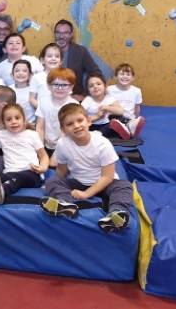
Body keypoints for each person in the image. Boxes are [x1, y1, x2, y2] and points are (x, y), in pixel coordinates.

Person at [40, 103, 132, 232]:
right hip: (79, 182)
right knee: (52, 181)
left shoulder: (102, 144)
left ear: (88, 121)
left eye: (80, 120)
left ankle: (117, 214)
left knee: (124, 186)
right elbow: (61, 170)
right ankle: (65, 204)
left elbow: (107, 176)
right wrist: (53, 185)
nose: (76, 126)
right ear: (63, 129)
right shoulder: (62, 144)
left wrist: (86, 194)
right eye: (70, 124)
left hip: (105, 184)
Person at [0, 104, 49, 205]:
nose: (13, 122)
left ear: (24, 119)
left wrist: (43, 167)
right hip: (10, 172)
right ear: (4, 123)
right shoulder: (1, 135)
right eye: (9, 119)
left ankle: (2, 192)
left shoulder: (32, 135)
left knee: (18, 179)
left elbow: (43, 156)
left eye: (17, 118)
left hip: (31, 173)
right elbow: (0, 154)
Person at [53, 19, 102, 99]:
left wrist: (85, 95)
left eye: (66, 33)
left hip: (74, 98)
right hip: (53, 97)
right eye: (58, 33)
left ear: (71, 35)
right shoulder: (48, 51)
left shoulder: (80, 51)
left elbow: (96, 73)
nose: (61, 36)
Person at [35, 68, 79, 156]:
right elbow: (40, 127)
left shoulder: (73, 105)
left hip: (68, 146)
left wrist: (56, 154)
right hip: (47, 146)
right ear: (48, 86)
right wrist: (41, 150)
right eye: (56, 84)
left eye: (64, 85)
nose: (59, 88)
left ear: (71, 87)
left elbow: (68, 132)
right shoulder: (43, 102)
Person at [107, 63, 145, 140]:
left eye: (128, 74)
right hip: (114, 117)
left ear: (132, 77)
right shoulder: (109, 90)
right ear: (116, 76)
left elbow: (137, 108)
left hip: (128, 118)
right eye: (122, 74)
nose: (125, 76)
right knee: (113, 122)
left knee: (132, 121)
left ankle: (129, 127)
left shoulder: (136, 91)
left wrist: (136, 118)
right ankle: (126, 129)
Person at [81, 74, 125, 138]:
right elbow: (80, 119)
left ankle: (128, 127)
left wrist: (106, 107)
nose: (95, 87)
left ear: (105, 86)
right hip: (92, 126)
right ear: (88, 90)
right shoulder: (87, 101)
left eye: (98, 84)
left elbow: (121, 111)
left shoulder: (109, 98)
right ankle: (98, 134)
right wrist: (96, 116)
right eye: (91, 86)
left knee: (119, 119)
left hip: (106, 125)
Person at [29, 43, 63, 109]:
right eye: (49, 56)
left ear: (61, 61)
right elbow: (31, 99)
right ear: (42, 60)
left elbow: (68, 97)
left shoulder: (64, 77)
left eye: (57, 56)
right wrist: (43, 109)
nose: (53, 58)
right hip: (42, 114)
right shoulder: (37, 77)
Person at [10, 60, 36, 124]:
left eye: (24, 71)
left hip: (31, 124)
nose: (20, 73)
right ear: (12, 75)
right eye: (17, 71)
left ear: (30, 75)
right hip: (13, 124)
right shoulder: (9, 90)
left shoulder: (34, 90)